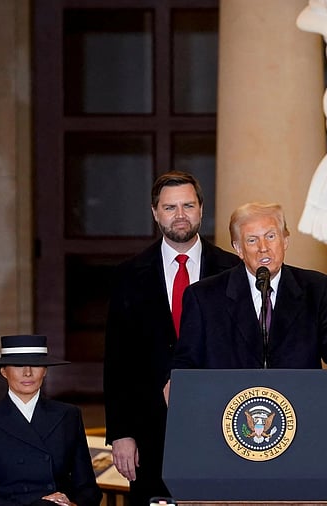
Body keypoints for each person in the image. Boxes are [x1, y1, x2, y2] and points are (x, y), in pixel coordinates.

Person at [103, 171, 241, 504]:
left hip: (220, 424)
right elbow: (117, 360)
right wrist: (121, 433)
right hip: (150, 429)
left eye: (188, 205)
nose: (180, 215)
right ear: (154, 212)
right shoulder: (127, 275)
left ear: (201, 209)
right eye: (170, 207)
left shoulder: (232, 270)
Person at [166, 202, 327, 409]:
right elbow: (187, 359)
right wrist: (177, 382)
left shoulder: (314, 288)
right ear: (238, 248)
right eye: (252, 240)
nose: (263, 248)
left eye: (271, 236)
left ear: (285, 241)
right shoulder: (204, 297)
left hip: (299, 412)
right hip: (226, 417)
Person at [0, 335, 102, 506]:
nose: (28, 372)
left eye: (36, 365)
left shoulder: (68, 415)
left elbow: (88, 489)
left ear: (45, 370)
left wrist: (73, 504)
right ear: (3, 371)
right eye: (18, 365)